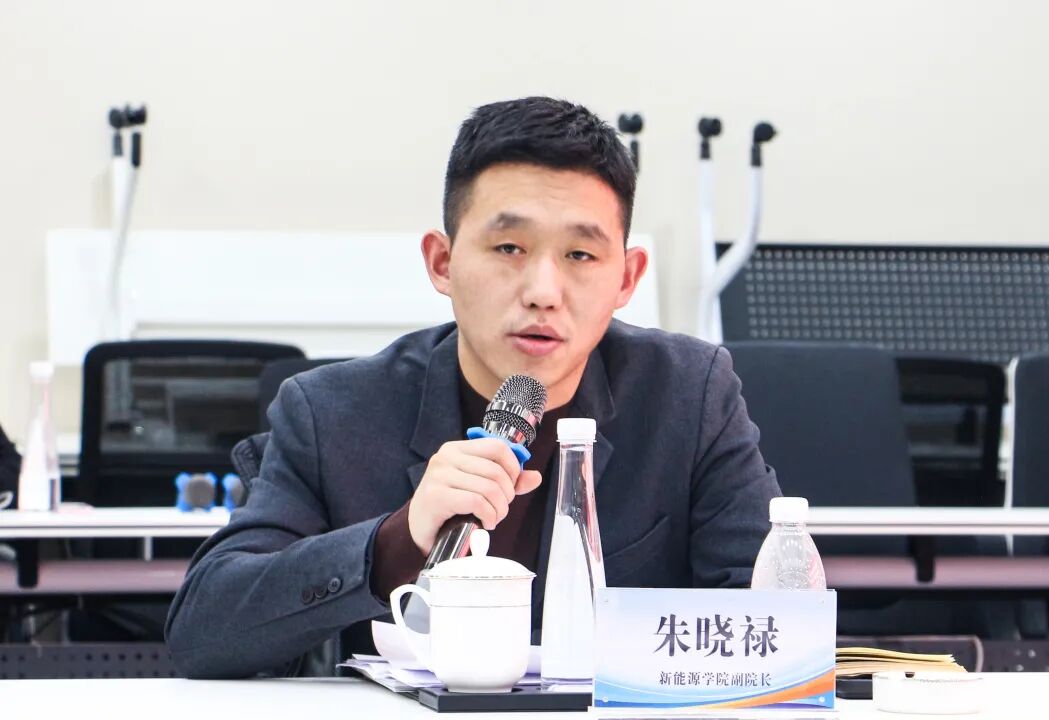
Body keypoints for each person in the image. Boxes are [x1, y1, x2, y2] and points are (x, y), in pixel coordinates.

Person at [165, 96, 780, 678]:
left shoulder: (690, 396)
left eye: (580, 255)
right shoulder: (332, 414)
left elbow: (775, 626)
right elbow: (202, 631)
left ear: (627, 277)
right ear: (443, 262)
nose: (543, 292)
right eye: (509, 247)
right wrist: (398, 538)